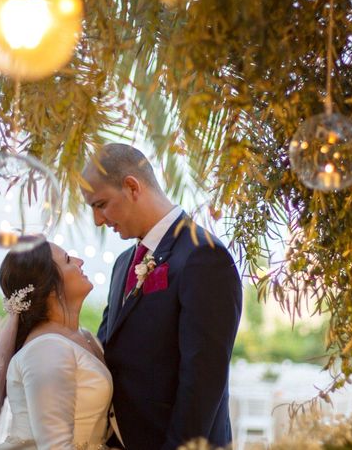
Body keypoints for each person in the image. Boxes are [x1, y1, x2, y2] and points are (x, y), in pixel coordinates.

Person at [82, 143, 243, 450]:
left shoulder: (203, 255)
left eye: (100, 204)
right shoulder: (122, 264)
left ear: (132, 186)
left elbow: (203, 382)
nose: (98, 220)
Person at [0, 241, 112, 450]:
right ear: (50, 288)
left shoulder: (85, 337)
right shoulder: (46, 349)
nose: (79, 261)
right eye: (67, 260)